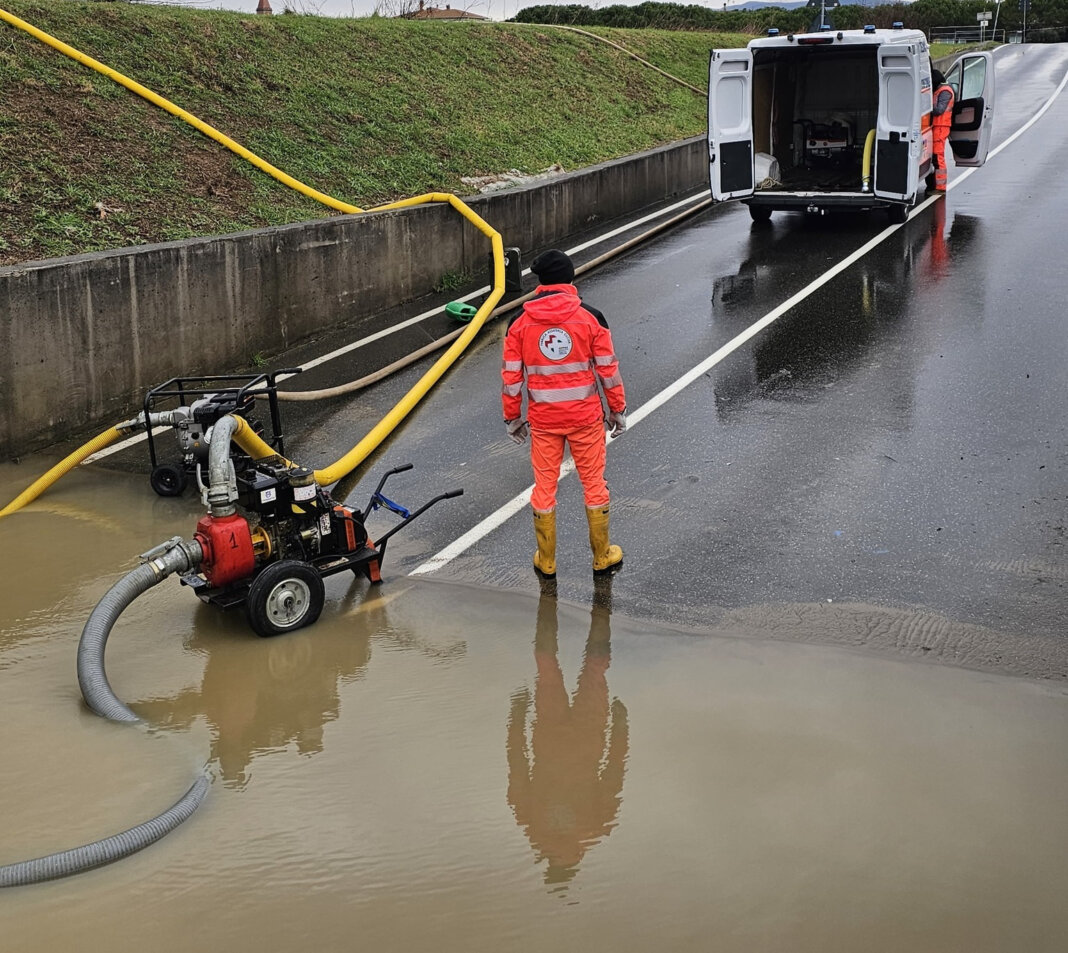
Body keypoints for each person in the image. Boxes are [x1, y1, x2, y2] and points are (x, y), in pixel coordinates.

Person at [502, 249, 627, 577]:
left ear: (541, 282)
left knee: (544, 486)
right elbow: (608, 371)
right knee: (594, 484)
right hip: (585, 419)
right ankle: (602, 556)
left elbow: (512, 378)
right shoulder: (591, 317)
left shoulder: (518, 324)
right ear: (570, 279)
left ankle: (547, 561)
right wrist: (618, 410)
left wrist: (512, 418)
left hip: (543, 422)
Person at [931, 69, 955, 192]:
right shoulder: (940, 91)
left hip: (941, 126)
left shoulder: (945, 92)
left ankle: (941, 187)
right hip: (937, 126)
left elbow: (939, 110)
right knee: (935, 156)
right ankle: (937, 185)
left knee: (938, 156)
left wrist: (927, 105)